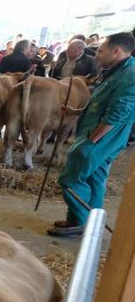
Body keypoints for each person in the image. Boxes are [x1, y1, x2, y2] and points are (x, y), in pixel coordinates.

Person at [48, 32, 135, 237]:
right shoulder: (118, 70)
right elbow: (102, 104)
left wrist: (93, 139)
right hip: (99, 134)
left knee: (70, 177)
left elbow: (119, 111)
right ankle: (88, 222)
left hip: (101, 137)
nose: (97, 55)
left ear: (117, 51)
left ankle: (80, 221)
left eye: (101, 51)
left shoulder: (130, 74)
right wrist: (76, 112)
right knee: (95, 178)